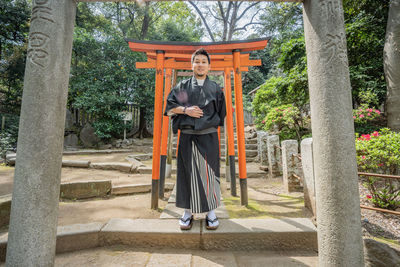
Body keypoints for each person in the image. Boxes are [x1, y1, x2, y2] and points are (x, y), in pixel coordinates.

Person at [164, 48, 226, 230]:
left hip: (208, 136)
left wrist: (207, 123)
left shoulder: (215, 88)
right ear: (192, 65)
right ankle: (187, 211)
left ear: (208, 66)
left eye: (203, 62)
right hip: (188, 136)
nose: (200, 64)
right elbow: (169, 106)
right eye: (196, 61)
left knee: (209, 173)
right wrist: (186, 110)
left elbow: (221, 113)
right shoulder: (182, 86)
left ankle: (211, 212)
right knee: (186, 173)